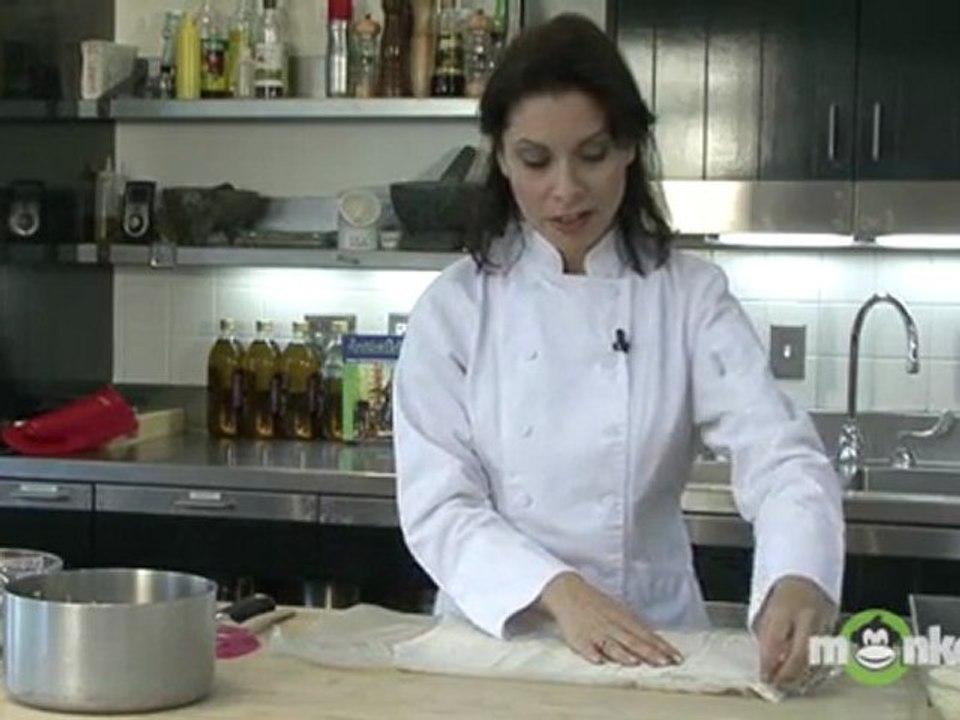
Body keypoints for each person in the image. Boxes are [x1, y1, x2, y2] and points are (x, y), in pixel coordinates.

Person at [391, 13, 844, 687]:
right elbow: (439, 507)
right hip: (496, 644)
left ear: (630, 146)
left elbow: (778, 455)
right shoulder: (456, 309)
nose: (566, 189)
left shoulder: (687, 296)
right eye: (535, 160)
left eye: (593, 154)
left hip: (654, 641)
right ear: (502, 157)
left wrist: (800, 577)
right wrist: (560, 592)